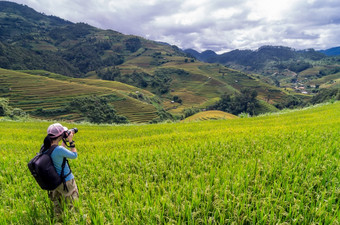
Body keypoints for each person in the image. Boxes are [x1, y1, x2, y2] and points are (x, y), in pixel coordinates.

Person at [42, 123, 79, 216]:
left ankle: (58, 221)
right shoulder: (58, 150)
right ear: (60, 135)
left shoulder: (45, 147)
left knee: (57, 206)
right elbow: (74, 155)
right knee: (72, 204)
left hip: (54, 182)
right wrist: (70, 140)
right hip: (66, 181)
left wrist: (63, 140)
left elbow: (59, 151)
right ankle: (73, 219)